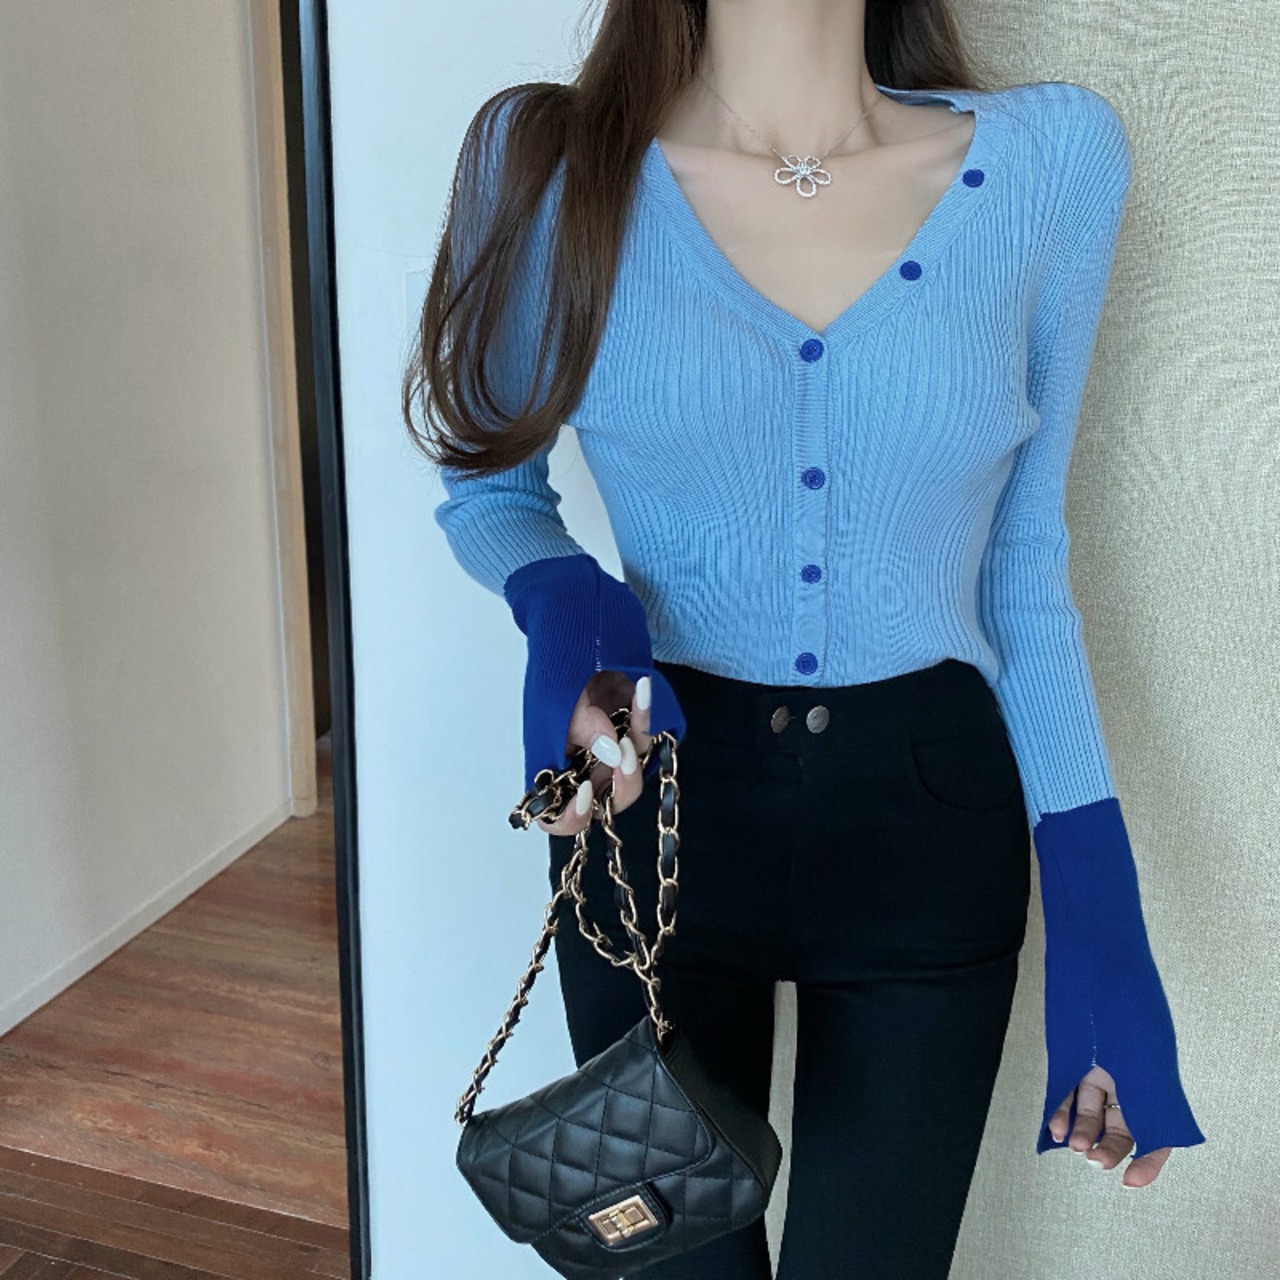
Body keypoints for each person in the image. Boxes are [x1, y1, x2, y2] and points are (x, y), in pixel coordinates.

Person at [405, 1, 1206, 1274]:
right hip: (649, 816)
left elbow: (1021, 563)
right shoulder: (551, 165)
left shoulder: (1051, 163)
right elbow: (488, 485)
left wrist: (1104, 943)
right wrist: (568, 604)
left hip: (926, 827)